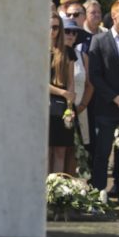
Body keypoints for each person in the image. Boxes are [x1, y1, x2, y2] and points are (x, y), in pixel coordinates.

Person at [87, 0, 119, 198]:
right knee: (102, 152)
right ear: (114, 15)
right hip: (106, 105)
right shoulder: (99, 40)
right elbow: (94, 75)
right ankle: (98, 193)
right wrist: (115, 98)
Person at [63, 17, 93, 175]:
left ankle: (70, 192)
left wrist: (81, 107)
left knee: (77, 153)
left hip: (80, 110)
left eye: (74, 33)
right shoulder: (51, 53)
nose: (71, 35)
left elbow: (90, 85)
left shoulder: (82, 56)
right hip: (58, 109)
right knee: (59, 151)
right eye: (67, 31)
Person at [48, 14, 76, 174]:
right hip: (43, 104)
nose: (53, 30)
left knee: (60, 151)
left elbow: (71, 81)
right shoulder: (37, 51)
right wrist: (63, 92)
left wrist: (70, 106)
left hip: (62, 106)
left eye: (56, 27)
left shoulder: (68, 52)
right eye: (50, 26)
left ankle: (57, 192)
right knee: (45, 151)